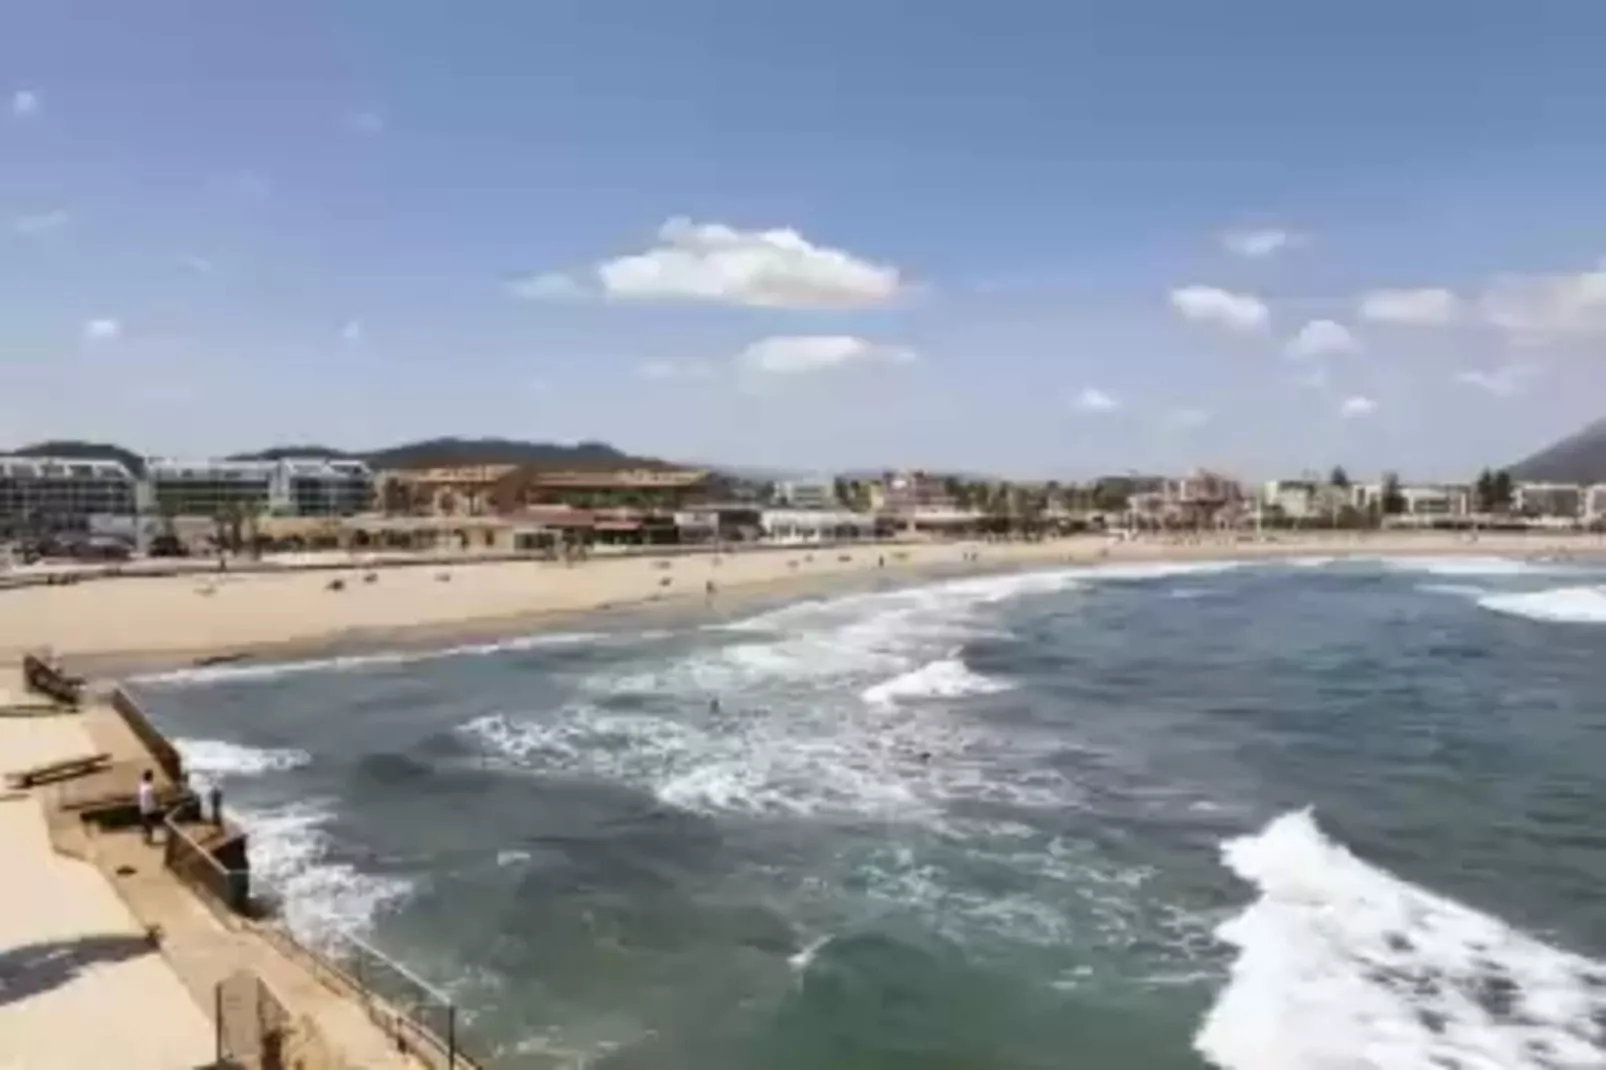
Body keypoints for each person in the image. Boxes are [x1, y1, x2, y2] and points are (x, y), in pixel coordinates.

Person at [137, 770, 159, 845]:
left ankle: (147, 838)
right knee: (150, 825)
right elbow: (156, 797)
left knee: (146, 824)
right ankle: (149, 838)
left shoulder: (142, 786)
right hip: (151, 809)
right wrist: (158, 804)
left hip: (143, 808)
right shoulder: (151, 787)